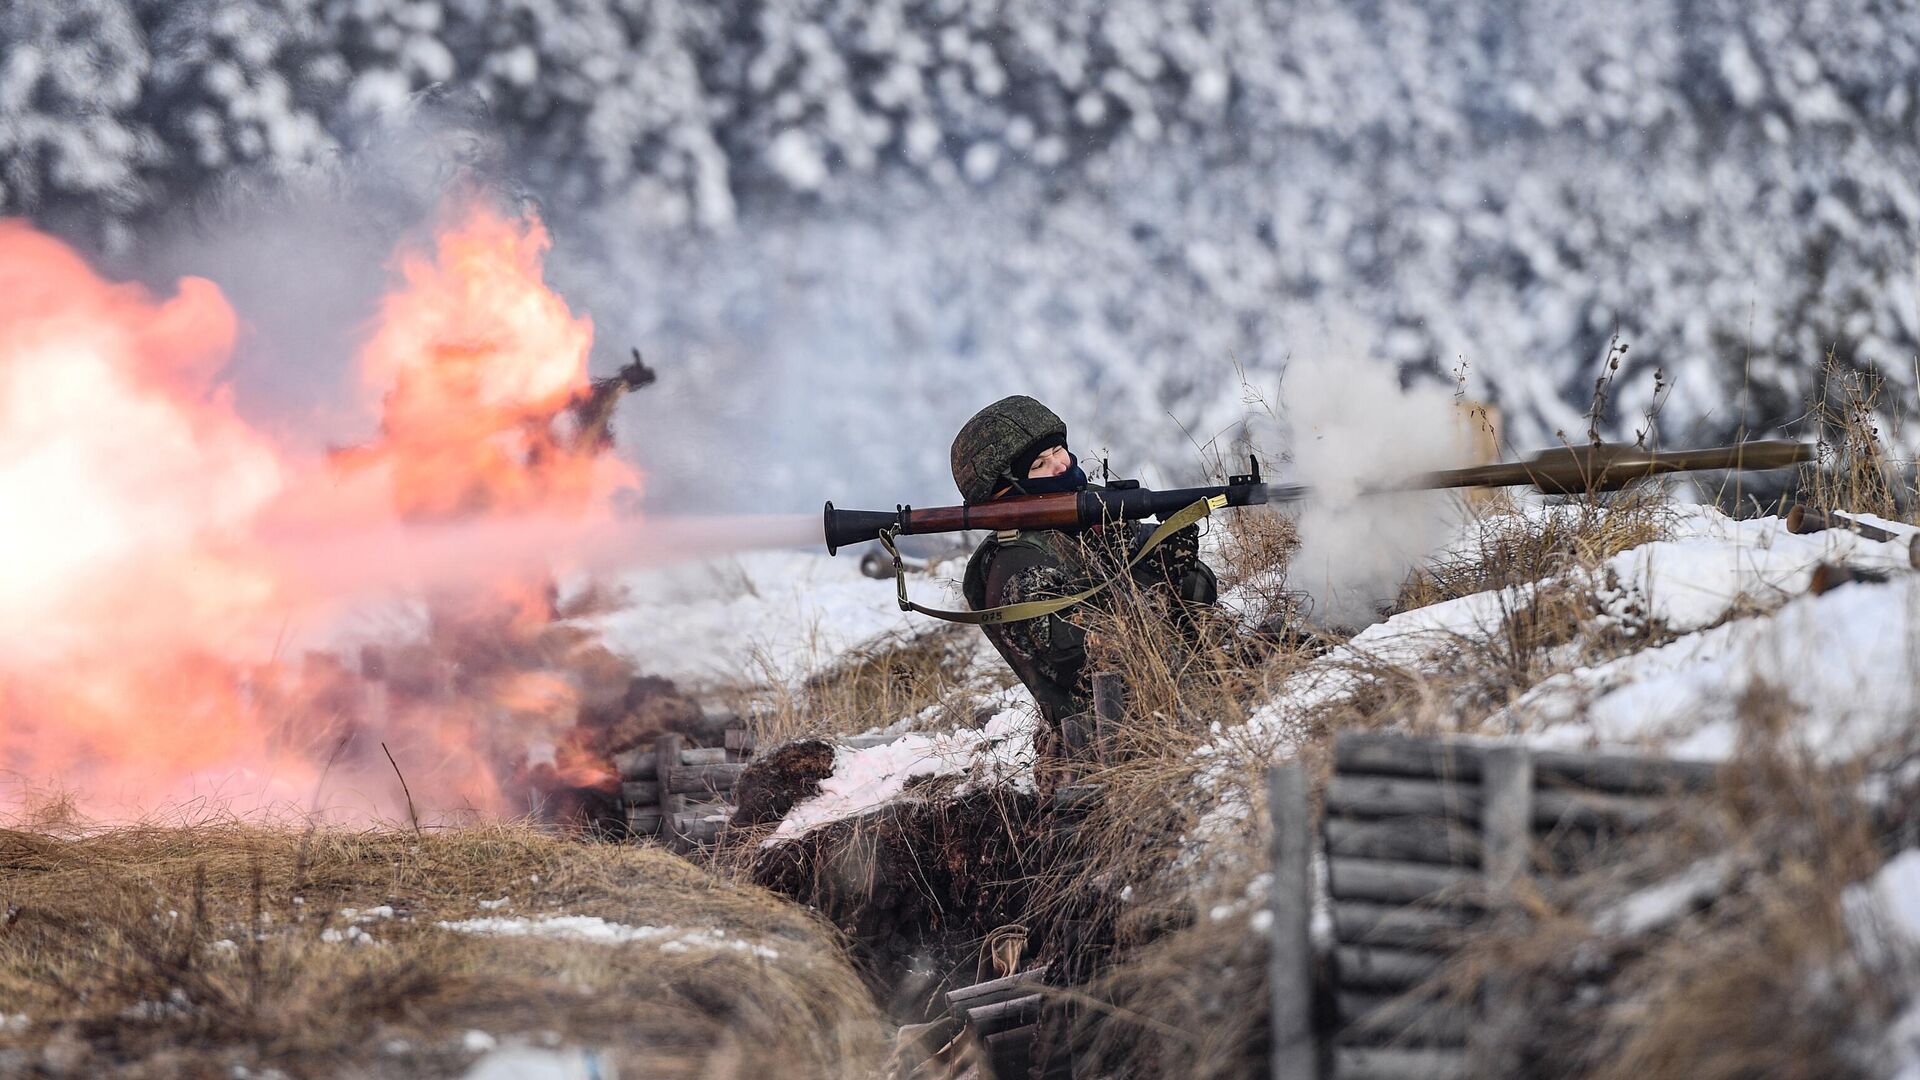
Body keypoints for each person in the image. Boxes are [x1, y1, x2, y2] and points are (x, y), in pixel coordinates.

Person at [952, 395, 1217, 751]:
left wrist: (1173, 556)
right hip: (1108, 749)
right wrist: (1149, 583)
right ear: (1008, 490)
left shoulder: (1088, 523)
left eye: (1059, 450)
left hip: (1183, 702)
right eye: (1039, 465)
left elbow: (1197, 595)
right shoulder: (1018, 563)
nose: (1061, 466)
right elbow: (1090, 658)